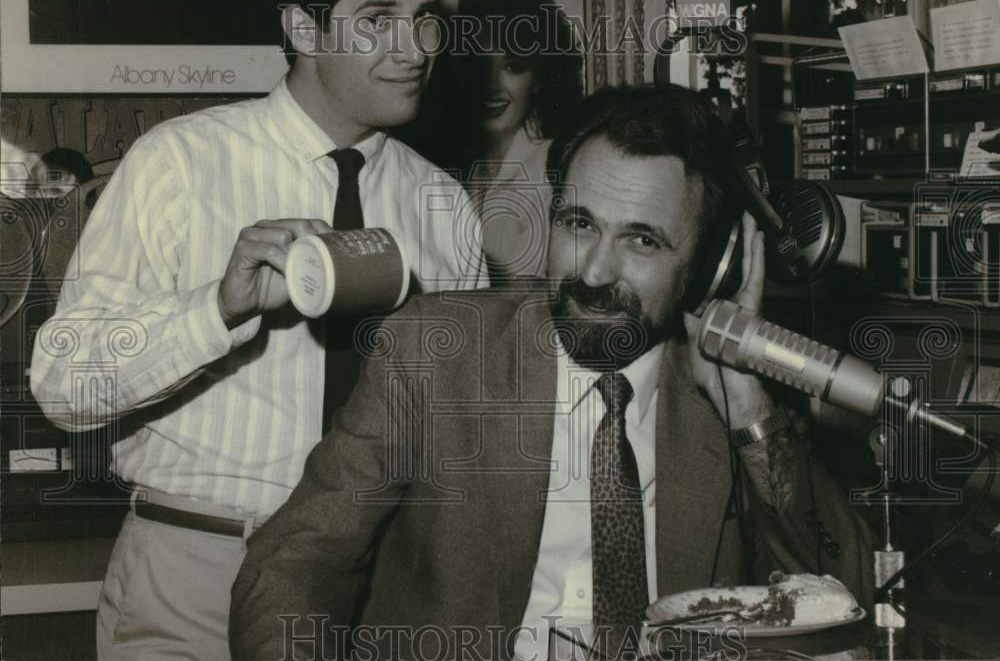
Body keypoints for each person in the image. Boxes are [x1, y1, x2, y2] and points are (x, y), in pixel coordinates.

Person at [230, 85, 874, 661]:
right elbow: (298, 558)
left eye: (642, 240)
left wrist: (746, 403)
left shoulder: (735, 404)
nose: (593, 272)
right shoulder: (435, 354)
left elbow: (839, 585)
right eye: (578, 224)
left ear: (706, 269)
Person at [30, 0, 486, 661]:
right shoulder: (178, 163)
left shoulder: (443, 205)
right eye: (377, 18)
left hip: (372, 587)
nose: (414, 48)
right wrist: (215, 309)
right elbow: (64, 385)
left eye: (426, 16)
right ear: (301, 26)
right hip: (196, 576)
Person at [453, 0, 583, 280]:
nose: (492, 84)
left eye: (513, 67)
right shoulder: (464, 165)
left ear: (539, 78)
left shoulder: (553, 171)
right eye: (479, 65)